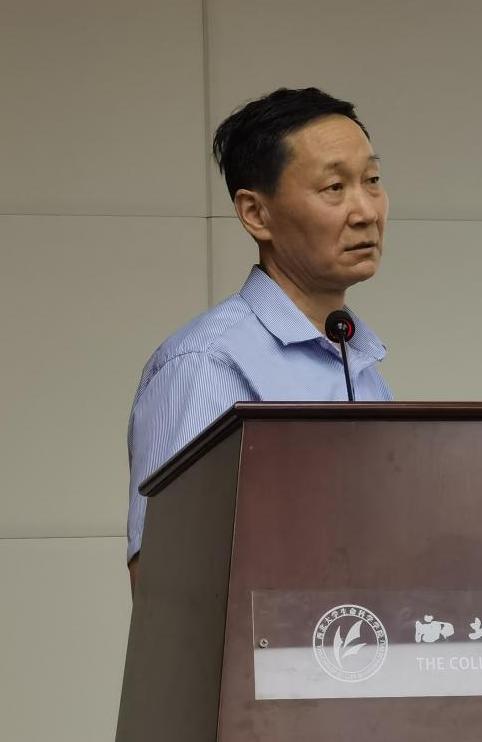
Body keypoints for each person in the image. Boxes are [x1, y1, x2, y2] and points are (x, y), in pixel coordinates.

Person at [124, 87, 391, 590]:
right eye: (334, 187)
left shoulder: (356, 357)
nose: (366, 211)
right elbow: (168, 587)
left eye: (372, 181)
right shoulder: (206, 363)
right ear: (255, 213)